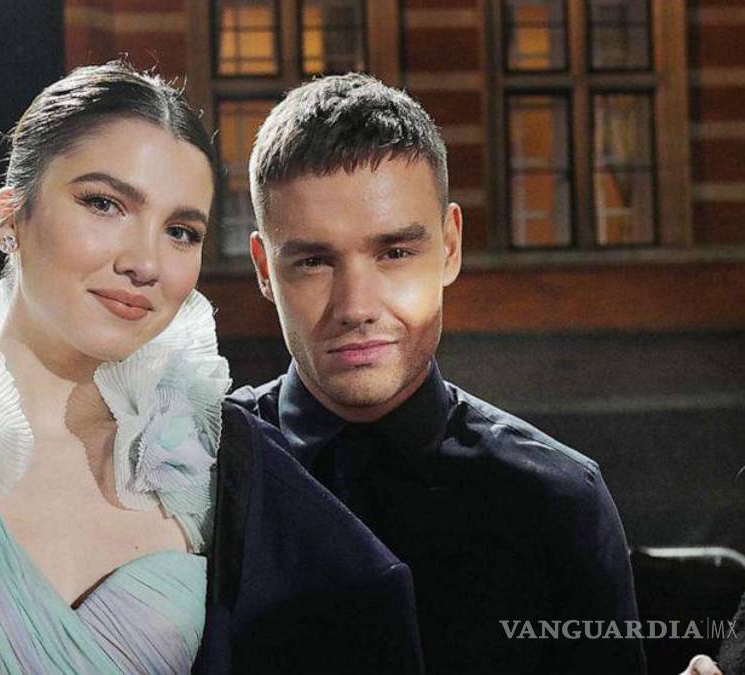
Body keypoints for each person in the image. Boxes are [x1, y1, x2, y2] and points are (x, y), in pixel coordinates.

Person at [0, 62, 423, 675]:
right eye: (104, 203)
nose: (145, 262)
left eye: (180, 231)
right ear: (11, 216)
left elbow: (375, 618)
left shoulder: (216, 459)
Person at [225, 73, 646, 673]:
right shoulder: (201, 478)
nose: (356, 307)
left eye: (395, 253)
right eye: (314, 261)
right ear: (266, 270)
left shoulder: (556, 501)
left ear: (449, 247)